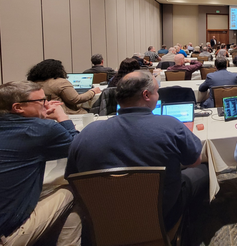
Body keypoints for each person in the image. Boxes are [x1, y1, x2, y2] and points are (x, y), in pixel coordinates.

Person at [66, 71, 206, 239]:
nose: (158, 94)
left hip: (104, 222)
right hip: (161, 216)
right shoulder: (170, 126)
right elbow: (194, 160)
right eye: (157, 90)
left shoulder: (86, 134)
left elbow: (73, 178)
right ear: (146, 95)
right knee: (204, 170)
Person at [0, 81, 81, 246]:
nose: (47, 104)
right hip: (6, 235)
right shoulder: (40, 130)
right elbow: (79, 147)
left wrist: (41, 114)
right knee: (75, 189)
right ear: (18, 108)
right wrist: (61, 117)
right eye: (42, 101)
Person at [26, 59, 100, 115]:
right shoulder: (60, 82)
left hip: (41, 114)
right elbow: (76, 99)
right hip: (66, 114)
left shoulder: (32, 84)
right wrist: (92, 92)